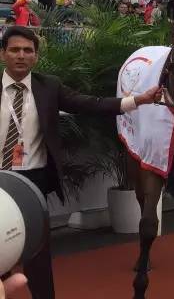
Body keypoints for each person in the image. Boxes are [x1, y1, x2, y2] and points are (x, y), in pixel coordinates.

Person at [0, 26, 160, 299]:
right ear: (3, 54)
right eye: (15, 50)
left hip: (33, 183)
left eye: (28, 50)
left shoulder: (48, 86)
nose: (21, 55)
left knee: (38, 256)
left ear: (36, 56)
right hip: (1, 179)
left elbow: (91, 104)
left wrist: (137, 101)